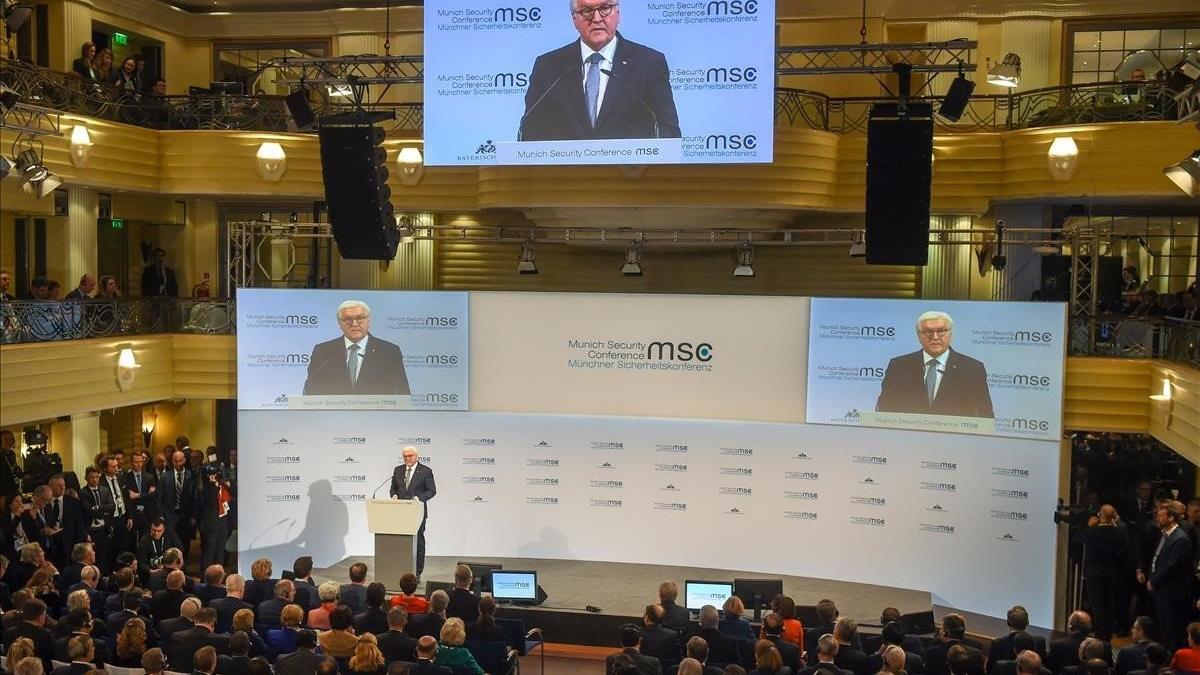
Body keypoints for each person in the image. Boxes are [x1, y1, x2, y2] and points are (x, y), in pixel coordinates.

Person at [519, 0, 680, 141]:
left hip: (631, 174)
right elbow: (530, 131)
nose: (596, 19)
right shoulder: (548, 66)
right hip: (564, 174)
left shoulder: (648, 63)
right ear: (574, 19)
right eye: (587, 11)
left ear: (618, 14)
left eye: (605, 8)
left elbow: (668, 131)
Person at [876, 311, 993, 418]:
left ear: (950, 334)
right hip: (908, 438)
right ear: (919, 336)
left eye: (941, 331)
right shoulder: (899, 366)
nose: (935, 337)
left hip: (955, 440)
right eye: (928, 332)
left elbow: (985, 415)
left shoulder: (972, 368)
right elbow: (883, 408)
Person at [302, 300, 410, 396]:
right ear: (340, 323)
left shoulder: (389, 351)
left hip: (377, 417)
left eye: (360, 318)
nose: (354, 324)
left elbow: (403, 393)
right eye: (348, 319)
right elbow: (311, 390)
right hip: (334, 417)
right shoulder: (323, 352)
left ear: (368, 321)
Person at [1143, 502, 1193, 651]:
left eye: (1160, 516)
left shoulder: (1180, 539)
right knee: (1163, 629)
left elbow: (1172, 566)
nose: (1157, 519)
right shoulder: (1164, 535)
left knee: (1171, 630)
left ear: (1171, 518)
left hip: (1172, 591)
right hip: (1162, 590)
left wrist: (1154, 580)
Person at [390, 446, 436, 576]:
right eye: (405, 456)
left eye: (410, 456)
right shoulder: (398, 470)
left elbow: (432, 490)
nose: (407, 458)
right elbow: (393, 488)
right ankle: (401, 569)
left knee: (418, 542)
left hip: (418, 513)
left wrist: (419, 498)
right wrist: (393, 495)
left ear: (417, 456)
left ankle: (417, 572)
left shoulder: (426, 471)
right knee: (401, 541)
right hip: (400, 513)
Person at [1083, 505, 1127, 640]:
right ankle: (1107, 635)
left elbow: (1078, 537)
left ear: (1099, 515)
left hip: (1093, 573)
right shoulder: (1118, 532)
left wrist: (1090, 526)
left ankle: (1100, 634)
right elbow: (1122, 546)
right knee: (1109, 604)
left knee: (1097, 606)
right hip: (1110, 573)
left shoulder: (1092, 532)